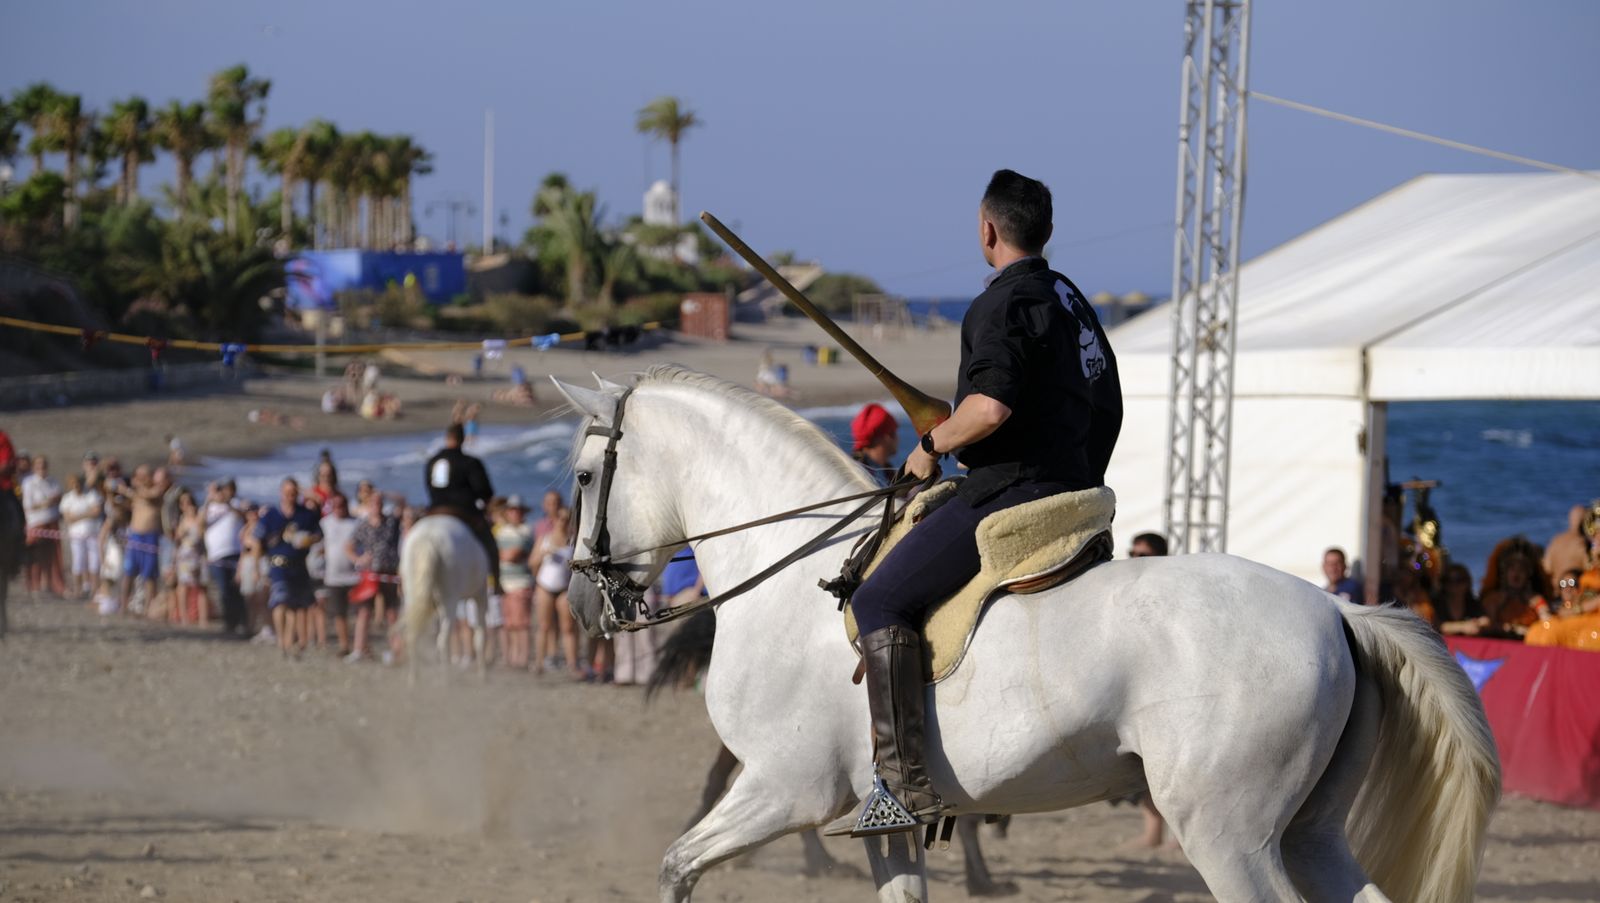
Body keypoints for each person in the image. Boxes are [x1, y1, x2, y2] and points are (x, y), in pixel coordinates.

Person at [827, 170, 1122, 838]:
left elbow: (989, 407)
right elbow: (1108, 407)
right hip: (1078, 490)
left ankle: (902, 788)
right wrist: (1082, 480)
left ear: (989, 229)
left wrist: (931, 445)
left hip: (1011, 491)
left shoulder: (997, 305)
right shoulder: (1073, 300)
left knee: (877, 600)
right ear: (1043, 230)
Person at [1125, 533, 1170, 849]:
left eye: (1143, 555)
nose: (1135, 560)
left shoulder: (1168, 590)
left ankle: (1168, 836)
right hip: (1139, 694)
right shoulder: (1126, 591)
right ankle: (1154, 833)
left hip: (1164, 692)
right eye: (1133, 554)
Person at [424, 423, 501, 593]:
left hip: (434, 510)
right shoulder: (470, 462)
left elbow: (429, 487)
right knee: (490, 544)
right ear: (463, 439)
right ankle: (496, 582)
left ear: (446, 438)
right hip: (463, 512)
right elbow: (484, 491)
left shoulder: (432, 461)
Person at [256, 478, 322, 657]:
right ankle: (280, 640)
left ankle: (288, 641)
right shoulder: (270, 514)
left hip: (299, 566)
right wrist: (257, 566)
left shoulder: (305, 514)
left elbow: (319, 530)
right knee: (280, 601)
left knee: (295, 606)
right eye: (287, 493)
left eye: (293, 493)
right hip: (278, 565)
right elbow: (258, 540)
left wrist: (308, 540)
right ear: (280, 493)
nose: (290, 496)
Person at [347, 493, 403, 663]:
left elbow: (402, 502)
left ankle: (396, 650)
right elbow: (349, 546)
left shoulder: (391, 522)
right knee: (364, 612)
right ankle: (359, 649)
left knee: (392, 612)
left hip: (390, 572)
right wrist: (358, 559)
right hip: (370, 575)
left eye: (379, 503)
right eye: (373, 503)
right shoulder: (363, 525)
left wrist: (385, 493)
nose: (376, 506)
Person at [118, 466, 170, 614]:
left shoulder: (155, 491)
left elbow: (149, 496)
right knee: (129, 572)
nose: (141, 478)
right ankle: (123, 605)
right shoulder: (136, 494)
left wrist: (129, 489)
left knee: (149, 575)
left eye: (144, 476)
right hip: (134, 536)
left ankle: (149, 607)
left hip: (150, 537)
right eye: (139, 475)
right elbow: (127, 504)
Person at [532, 509, 578, 677]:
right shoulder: (544, 539)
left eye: (566, 518)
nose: (563, 521)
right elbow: (533, 563)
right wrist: (543, 556)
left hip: (564, 588)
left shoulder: (573, 541)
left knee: (568, 627)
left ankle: (572, 664)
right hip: (545, 586)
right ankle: (539, 663)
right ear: (555, 519)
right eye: (560, 518)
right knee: (543, 626)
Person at [1479, 536, 1552, 638]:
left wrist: (1537, 608)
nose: (1516, 574)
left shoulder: (1536, 600)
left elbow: (1549, 626)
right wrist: (1511, 628)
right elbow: (1486, 626)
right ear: (1505, 572)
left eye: (1521, 569)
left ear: (1528, 574)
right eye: (1512, 568)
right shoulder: (1494, 599)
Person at [495, 494, 537, 670]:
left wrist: (504, 555)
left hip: (521, 582)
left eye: (517, 510)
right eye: (511, 510)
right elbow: (502, 554)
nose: (514, 513)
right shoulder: (503, 531)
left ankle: (523, 658)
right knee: (510, 623)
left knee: (522, 624)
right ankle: (512, 657)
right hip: (505, 582)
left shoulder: (527, 530)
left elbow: (513, 554)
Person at [204, 480, 248, 638]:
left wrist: (228, 503)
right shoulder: (210, 507)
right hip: (216, 555)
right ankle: (229, 622)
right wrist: (209, 499)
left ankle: (241, 622)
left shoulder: (237, 503)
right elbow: (200, 523)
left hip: (235, 552)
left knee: (237, 590)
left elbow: (243, 516)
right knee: (223, 590)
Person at [319, 493, 361, 656]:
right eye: (335, 505)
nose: (339, 509)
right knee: (339, 613)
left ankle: (359, 644)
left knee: (359, 613)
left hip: (354, 575)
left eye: (342, 505)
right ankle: (344, 645)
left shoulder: (355, 523)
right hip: (333, 576)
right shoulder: (324, 523)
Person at [21, 455, 65, 597]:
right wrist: (45, 503)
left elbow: (58, 499)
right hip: (36, 523)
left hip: (52, 521)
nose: (42, 468)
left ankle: (52, 585)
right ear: (34, 467)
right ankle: (34, 585)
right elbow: (28, 505)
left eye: (44, 465)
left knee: (53, 556)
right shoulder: (29, 483)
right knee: (35, 555)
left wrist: (50, 502)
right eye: (39, 465)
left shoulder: (53, 481)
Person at [59, 472, 105, 600]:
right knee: (79, 561)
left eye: (78, 483)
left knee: (94, 562)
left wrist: (78, 516)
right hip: (76, 535)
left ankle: (95, 589)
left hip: (93, 533)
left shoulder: (91, 495)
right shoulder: (67, 498)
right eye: (73, 484)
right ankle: (78, 589)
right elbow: (68, 518)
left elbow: (96, 512)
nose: (76, 486)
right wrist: (86, 513)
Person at [850, 403, 900, 486]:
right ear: (887, 437)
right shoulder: (859, 476)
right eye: (894, 432)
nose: (898, 438)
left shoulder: (853, 468)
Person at [1437, 563, 1487, 635]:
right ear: (1443, 583)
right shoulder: (1438, 604)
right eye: (1448, 580)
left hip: (1469, 645)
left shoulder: (1473, 603)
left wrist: (1477, 623)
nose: (1454, 585)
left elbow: (1485, 620)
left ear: (1467, 583)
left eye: (1459, 580)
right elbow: (1435, 625)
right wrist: (1463, 626)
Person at [1545, 504, 1591, 580]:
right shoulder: (1583, 544)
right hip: (1575, 589)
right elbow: (1589, 569)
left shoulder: (1556, 540)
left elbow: (1547, 568)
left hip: (1558, 588)